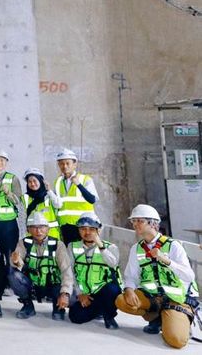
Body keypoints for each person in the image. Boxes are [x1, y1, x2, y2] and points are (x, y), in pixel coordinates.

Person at [116, 204, 198, 349]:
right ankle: (157, 317)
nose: (135, 224)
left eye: (139, 221)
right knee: (122, 301)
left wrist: (167, 261)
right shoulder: (136, 248)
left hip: (176, 299)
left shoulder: (173, 246)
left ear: (153, 223)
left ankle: (179, 319)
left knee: (176, 340)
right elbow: (131, 276)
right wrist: (128, 289)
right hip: (153, 297)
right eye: (133, 221)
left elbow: (189, 276)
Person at [63, 212, 121, 329]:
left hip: (104, 290)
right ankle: (99, 309)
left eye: (91, 229)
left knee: (112, 290)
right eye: (83, 229)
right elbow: (70, 273)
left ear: (99, 230)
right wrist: (80, 294)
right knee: (75, 316)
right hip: (86, 292)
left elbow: (113, 263)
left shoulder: (110, 247)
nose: (87, 232)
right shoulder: (72, 247)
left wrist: (100, 245)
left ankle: (109, 316)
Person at [9, 212, 70, 320]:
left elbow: (66, 270)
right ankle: (28, 305)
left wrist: (65, 293)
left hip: (53, 285)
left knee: (72, 296)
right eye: (34, 227)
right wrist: (15, 261)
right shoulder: (24, 243)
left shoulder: (58, 245)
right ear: (28, 230)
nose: (38, 231)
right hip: (33, 284)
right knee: (13, 275)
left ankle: (58, 307)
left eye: (42, 227)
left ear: (48, 229)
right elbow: (18, 261)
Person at [54, 149, 98, 245]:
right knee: (69, 255)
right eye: (61, 164)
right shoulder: (57, 182)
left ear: (75, 164)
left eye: (67, 163)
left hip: (83, 226)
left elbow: (92, 199)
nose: (64, 166)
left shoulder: (85, 179)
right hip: (65, 226)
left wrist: (78, 184)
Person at [22, 168, 61, 240]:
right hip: (33, 236)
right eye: (29, 181)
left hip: (51, 234)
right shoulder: (25, 197)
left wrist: (49, 190)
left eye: (34, 180)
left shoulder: (49, 195)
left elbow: (58, 205)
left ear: (40, 181)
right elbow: (22, 218)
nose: (32, 184)